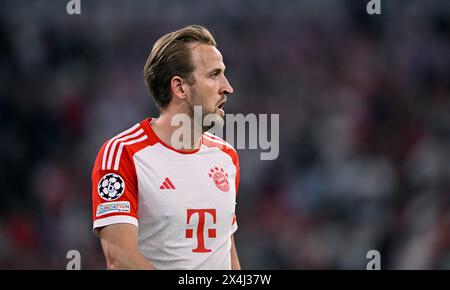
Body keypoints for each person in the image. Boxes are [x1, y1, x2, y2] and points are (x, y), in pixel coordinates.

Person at [91, 25, 241, 270]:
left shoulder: (226, 157)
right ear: (180, 87)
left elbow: (226, 248)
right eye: (214, 75)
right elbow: (120, 257)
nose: (227, 86)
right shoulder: (122, 153)